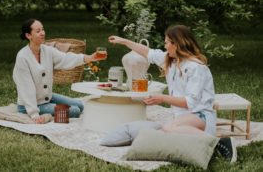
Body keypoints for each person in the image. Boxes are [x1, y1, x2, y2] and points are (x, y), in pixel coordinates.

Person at [108, 25, 237, 163]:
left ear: (176, 44)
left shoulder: (196, 68)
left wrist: (162, 98)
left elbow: (190, 102)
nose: (165, 46)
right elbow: (147, 52)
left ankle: (219, 143)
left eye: (166, 42)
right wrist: (124, 41)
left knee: (169, 128)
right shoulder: (171, 61)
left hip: (200, 115)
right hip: (184, 119)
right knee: (164, 132)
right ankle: (197, 140)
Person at [13, 18, 105, 124]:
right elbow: (26, 87)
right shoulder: (22, 57)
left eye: (43, 29)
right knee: (75, 111)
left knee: (80, 105)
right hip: (29, 106)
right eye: (38, 31)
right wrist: (34, 113)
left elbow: (65, 59)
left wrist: (89, 58)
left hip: (47, 97)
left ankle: (50, 108)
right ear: (28, 36)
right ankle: (43, 113)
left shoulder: (47, 50)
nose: (42, 33)